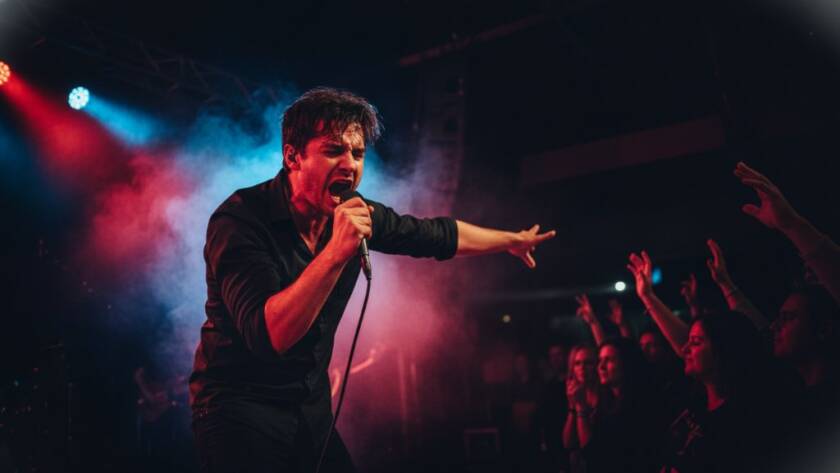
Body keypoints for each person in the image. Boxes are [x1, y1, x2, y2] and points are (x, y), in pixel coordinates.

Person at [188, 87, 556, 472]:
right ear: (293, 156)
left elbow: (436, 235)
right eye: (334, 150)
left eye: (358, 153)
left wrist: (511, 241)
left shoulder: (354, 212)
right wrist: (335, 252)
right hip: (238, 408)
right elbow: (270, 336)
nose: (350, 165)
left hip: (308, 408)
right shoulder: (241, 220)